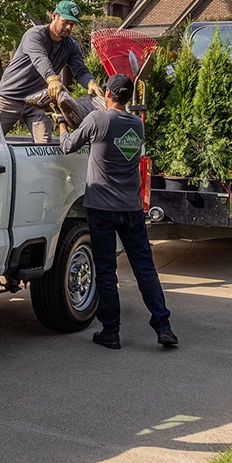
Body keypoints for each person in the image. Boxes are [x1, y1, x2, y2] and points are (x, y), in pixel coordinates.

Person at [56, 73, 178, 350]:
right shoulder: (137, 124)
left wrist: (61, 122)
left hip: (101, 208)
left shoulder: (99, 119)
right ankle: (163, 326)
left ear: (108, 94)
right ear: (128, 97)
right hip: (131, 209)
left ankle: (111, 332)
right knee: (145, 268)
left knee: (107, 270)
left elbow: (66, 145)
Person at [0, 0, 95, 142]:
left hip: (38, 103)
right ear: (54, 16)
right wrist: (52, 79)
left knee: (44, 147)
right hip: (9, 98)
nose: (68, 27)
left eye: (72, 24)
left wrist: (90, 83)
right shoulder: (35, 35)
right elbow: (40, 58)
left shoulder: (71, 46)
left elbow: (80, 70)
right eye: (65, 22)